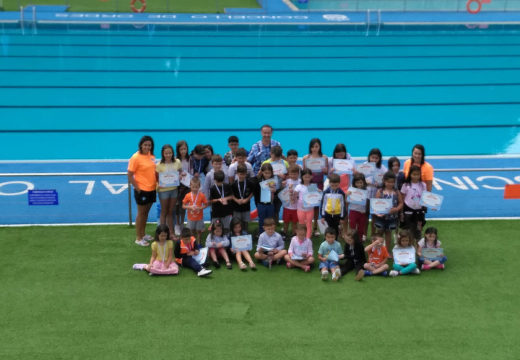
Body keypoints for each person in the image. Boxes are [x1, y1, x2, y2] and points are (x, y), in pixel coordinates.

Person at [128, 135, 157, 246]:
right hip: (142, 190)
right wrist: (137, 188)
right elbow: (130, 174)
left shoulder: (151, 155)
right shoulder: (135, 157)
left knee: (146, 213)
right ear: (141, 145)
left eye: (149, 145)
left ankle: (143, 233)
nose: (147, 147)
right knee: (141, 213)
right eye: (145, 145)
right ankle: (138, 238)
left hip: (152, 189)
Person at [156, 144, 183, 239]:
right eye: (166, 153)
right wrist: (158, 185)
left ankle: (171, 233)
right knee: (164, 211)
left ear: (172, 153)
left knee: (170, 212)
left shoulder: (177, 162)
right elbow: (156, 179)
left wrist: (180, 176)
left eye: (170, 153)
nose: (168, 155)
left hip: (174, 190)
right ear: (163, 154)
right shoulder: (159, 165)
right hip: (163, 191)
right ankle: (161, 233)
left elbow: (181, 172)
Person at [302, 138, 328, 236]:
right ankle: (307, 226)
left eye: (316, 146)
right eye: (312, 147)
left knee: (317, 206)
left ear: (320, 147)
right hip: (310, 184)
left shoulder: (324, 158)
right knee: (309, 205)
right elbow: (304, 173)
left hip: (319, 184)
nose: (314, 149)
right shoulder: (306, 158)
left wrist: (325, 170)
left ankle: (315, 228)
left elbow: (326, 172)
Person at [373, 171, 403, 251]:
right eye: (388, 182)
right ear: (384, 181)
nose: (390, 184)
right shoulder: (380, 191)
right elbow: (375, 204)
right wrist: (378, 213)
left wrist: (396, 209)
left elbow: (401, 203)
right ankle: (377, 249)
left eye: (392, 182)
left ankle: (386, 251)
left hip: (392, 217)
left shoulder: (396, 192)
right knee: (379, 232)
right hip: (381, 217)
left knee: (388, 233)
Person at [400, 165, 427, 240]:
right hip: (408, 210)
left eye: (418, 174)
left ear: (420, 174)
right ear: (410, 174)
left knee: (418, 230)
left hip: (419, 211)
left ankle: (418, 248)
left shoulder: (423, 185)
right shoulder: (406, 185)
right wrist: (401, 212)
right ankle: (407, 247)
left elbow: (426, 198)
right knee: (407, 230)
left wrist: (432, 206)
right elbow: (402, 199)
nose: (416, 176)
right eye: (414, 174)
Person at [365, 148, 387, 237]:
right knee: (365, 216)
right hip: (366, 195)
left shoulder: (383, 169)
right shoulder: (364, 166)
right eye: (372, 157)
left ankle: (373, 234)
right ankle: (364, 234)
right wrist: (365, 182)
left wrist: (380, 184)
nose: (374, 160)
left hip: (376, 197)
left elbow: (386, 183)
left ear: (379, 158)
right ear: (369, 157)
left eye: (376, 158)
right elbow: (359, 178)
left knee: (374, 216)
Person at [182, 177, 208, 244]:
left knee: (198, 230)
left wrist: (200, 208)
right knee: (191, 230)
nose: (195, 189)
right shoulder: (187, 195)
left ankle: (198, 242)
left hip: (199, 217)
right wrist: (190, 207)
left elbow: (206, 205)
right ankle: (192, 241)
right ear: (190, 186)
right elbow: (183, 206)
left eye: (196, 187)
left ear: (199, 187)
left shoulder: (202, 195)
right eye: (193, 187)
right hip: (190, 217)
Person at [252, 163, 277, 234]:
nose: (267, 175)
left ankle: (270, 234)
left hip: (270, 204)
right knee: (261, 220)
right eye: (265, 173)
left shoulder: (273, 181)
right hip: (261, 204)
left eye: (269, 173)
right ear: (262, 172)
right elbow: (252, 182)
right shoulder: (258, 181)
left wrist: (274, 191)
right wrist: (258, 175)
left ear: (271, 173)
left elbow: (275, 191)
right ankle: (261, 235)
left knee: (270, 220)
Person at [346, 173, 369, 241]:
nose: (359, 184)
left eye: (361, 182)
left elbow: (368, 202)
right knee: (352, 227)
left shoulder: (366, 191)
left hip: (362, 212)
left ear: (364, 182)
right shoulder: (351, 189)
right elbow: (347, 201)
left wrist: (366, 209)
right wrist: (347, 195)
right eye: (357, 183)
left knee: (361, 228)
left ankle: (359, 240)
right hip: (353, 211)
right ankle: (352, 239)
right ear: (354, 183)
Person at [231, 164, 254, 231]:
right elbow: (231, 194)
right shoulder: (234, 184)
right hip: (236, 207)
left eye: (243, 174)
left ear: (246, 174)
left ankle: (245, 235)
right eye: (240, 174)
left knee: (245, 223)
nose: (242, 176)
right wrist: (236, 200)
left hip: (246, 207)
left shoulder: (250, 183)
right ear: (237, 173)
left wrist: (247, 199)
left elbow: (252, 192)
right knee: (236, 222)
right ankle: (237, 236)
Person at [175, 140, 190, 236]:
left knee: (184, 204)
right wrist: (178, 176)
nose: (183, 151)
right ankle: (177, 224)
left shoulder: (190, 159)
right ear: (178, 150)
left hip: (187, 185)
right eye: (181, 149)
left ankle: (182, 223)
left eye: (185, 149)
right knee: (177, 205)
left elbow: (191, 170)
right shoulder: (176, 160)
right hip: (177, 185)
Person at [294, 169, 315, 239]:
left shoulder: (312, 186)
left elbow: (314, 197)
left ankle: (308, 237)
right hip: (300, 209)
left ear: (311, 177)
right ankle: (300, 236)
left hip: (310, 209)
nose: (307, 179)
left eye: (308, 177)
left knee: (309, 223)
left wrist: (318, 192)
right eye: (305, 177)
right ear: (302, 177)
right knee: (301, 223)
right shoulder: (299, 186)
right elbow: (295, 195)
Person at [281, 165, 301, 238]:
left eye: (295, 174)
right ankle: (284, 233)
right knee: (286, 221)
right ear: (289, 174)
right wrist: (283, 185)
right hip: (287, 205)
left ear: (298, 174)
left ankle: (294, 234)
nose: (293, 175)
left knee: (295, 222)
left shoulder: (300, 182)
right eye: (291, 174)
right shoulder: (287, 181)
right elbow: (283, 191)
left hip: (296, 207)